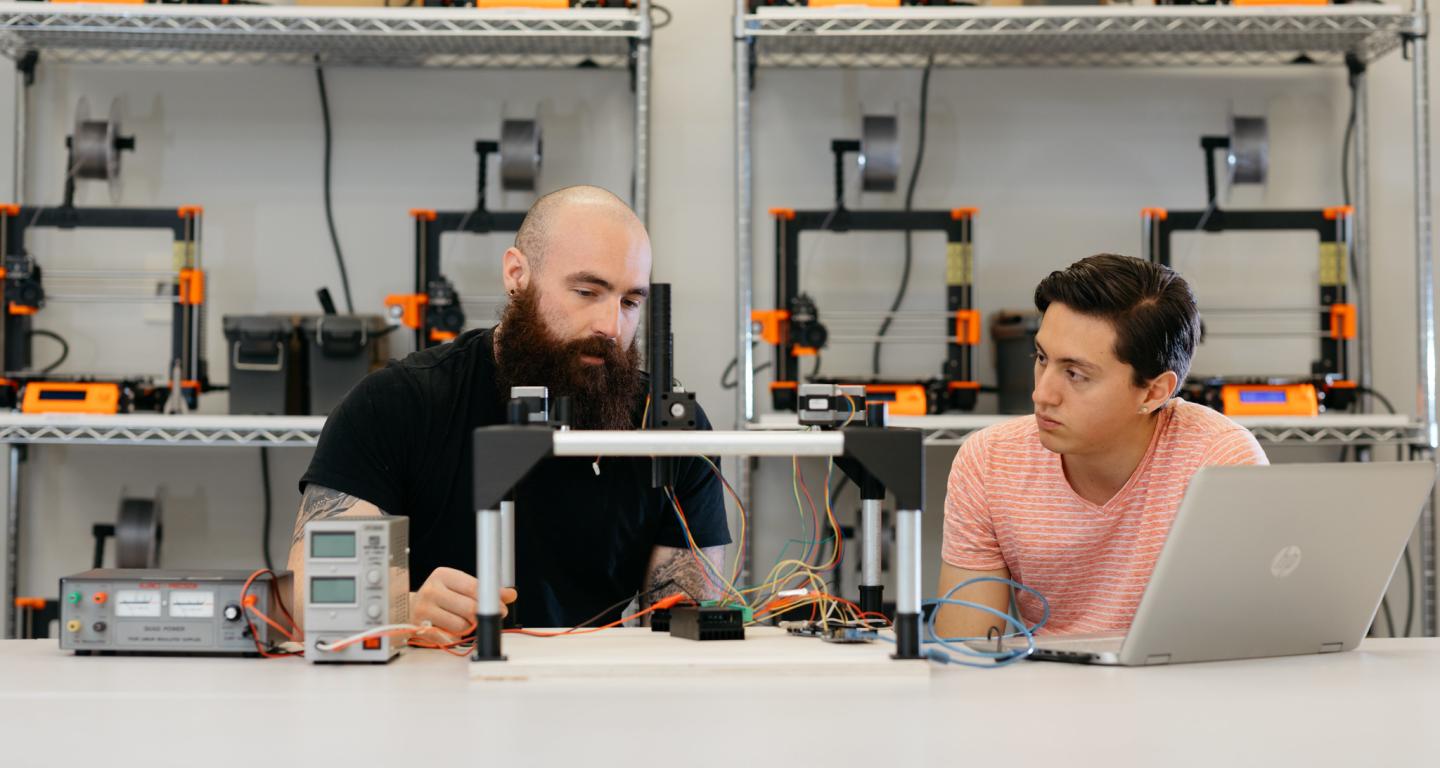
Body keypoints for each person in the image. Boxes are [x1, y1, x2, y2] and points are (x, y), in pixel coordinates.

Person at [288, 185, 729, 635]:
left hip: (591, 691)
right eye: (585, 291)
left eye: (630, 303)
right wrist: (408, 607)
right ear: (517, 273)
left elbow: (685, 623)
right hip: (431, 690)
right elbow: (313, 595)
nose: (611, 326)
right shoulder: (396, 404)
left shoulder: (668, 430)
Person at [936, 253, 1268, 638]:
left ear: (1154, 391)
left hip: (1180, 691)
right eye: (1042, 358)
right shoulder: (990, 462)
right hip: (1045, 691)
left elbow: (1245, 642)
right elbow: (968, 648)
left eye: (1076, 374)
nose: (1042, 394)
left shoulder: (1220, 463)